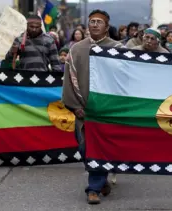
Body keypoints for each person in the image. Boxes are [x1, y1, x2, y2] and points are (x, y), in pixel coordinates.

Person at [62, 9, 124, 205]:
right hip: (82, 110)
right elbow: (68, 80)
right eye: (92, 21)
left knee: (100, 147)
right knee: (84, 148)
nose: (95, 24)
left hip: (107, 111)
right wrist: (74, 106)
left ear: (106, 26)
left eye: (99, 22)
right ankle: (101, 177)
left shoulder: (118, 49)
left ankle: (94, 188)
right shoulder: (77, 49)